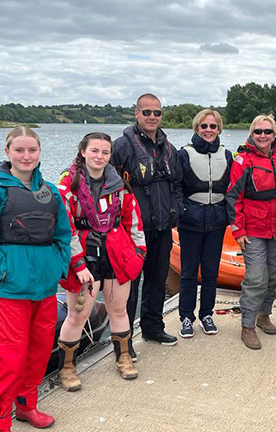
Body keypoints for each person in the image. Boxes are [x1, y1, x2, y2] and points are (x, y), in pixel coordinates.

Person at [0, 126, 72, 432]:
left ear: (40, 153)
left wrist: (56, 267)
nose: (26, 156)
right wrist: (3, 269)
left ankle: (27, 407)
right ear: (7, 151)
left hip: (44, 289)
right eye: (19, 150)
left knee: (38, 355)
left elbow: (63, 235)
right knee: (6, 361)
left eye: (32, 150)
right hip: (7, 291)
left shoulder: (50, 190)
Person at [56, 132, 146, 384]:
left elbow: (135, 223)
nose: (99, 156)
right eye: (94, 151)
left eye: (105, 152)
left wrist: (138, 255)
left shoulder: (119, 187)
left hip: (116, 255)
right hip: (84, 257)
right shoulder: (68, 187)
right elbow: (64, 228)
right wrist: (77, 263)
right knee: (78, 315)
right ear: (83, 151)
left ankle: (123, 356)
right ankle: (67, 368)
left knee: (119, 310)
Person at [111, 93, 183, 349]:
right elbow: (107, 183)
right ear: (136, 114)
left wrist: (177, 210)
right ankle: (124, 338)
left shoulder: (168, 147)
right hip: (133, 231)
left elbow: (177, 183)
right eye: (147, 112)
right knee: (129, 286)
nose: (152, 117)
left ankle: (153, 327)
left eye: (157, 113)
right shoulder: (121, 146)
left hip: (163, 227)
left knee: (157, 279)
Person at [226, 114, 276, 350]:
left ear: (274, 134)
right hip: (253, 229)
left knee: (275, 276)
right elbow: (233, 197)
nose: (263, 136)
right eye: (258, 132)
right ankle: (248, 325)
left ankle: (265, 314)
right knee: (255, 278)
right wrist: (238, 230)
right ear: (252, 134)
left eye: (268, 131)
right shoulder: (243, 160)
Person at [177, 109, 232, 337]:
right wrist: (182, 212)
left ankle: (206, 314)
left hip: (217, 221)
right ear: (197, 128)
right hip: (191, 220)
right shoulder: (184, 154)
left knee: (211, 272)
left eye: (213, 126)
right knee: (189, 272)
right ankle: (186, 317)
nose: (208, 130)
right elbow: (177, 187)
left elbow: (232, 187)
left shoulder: (227, 154)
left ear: (218, 129)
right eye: (204, 126)